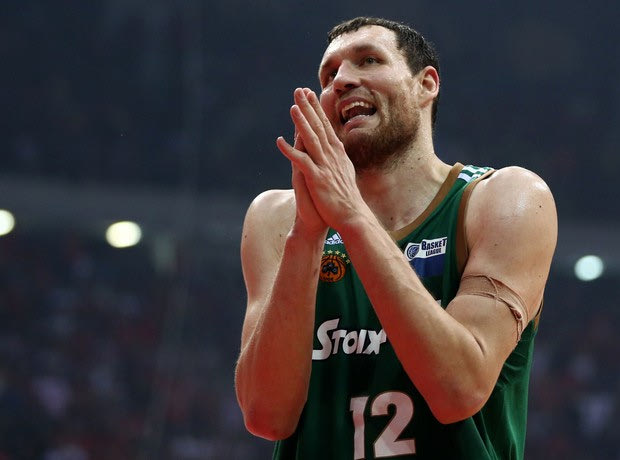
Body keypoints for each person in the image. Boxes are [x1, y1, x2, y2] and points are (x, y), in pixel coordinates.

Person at [234, 16, 557, 460]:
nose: (342, 80)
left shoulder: (505, 199)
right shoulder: (278, 218)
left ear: (426, 85)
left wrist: (351, 216)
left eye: (368, 60)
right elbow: (266, 416)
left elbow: (459, 389)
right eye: (329, 75)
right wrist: (307, 235)